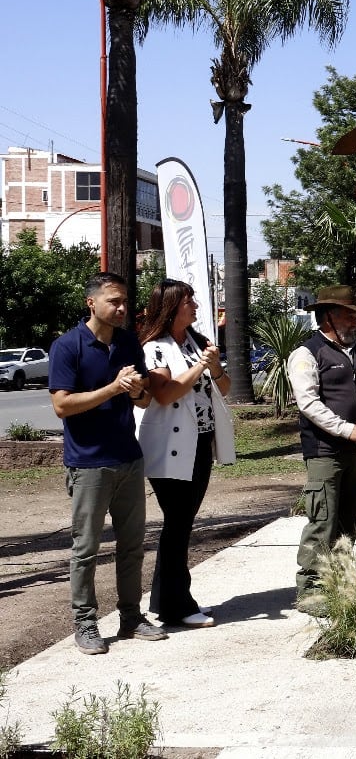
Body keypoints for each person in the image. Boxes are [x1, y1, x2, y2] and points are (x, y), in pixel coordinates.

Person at [48, 272, 168, 654]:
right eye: (113, 301)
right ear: (92, 303)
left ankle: (131, 617)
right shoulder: (68, 346)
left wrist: (134, 392)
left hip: (128, 458)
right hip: (88, 464)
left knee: (132, 545)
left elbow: (144, 400)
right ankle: (84, 623)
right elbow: (62, 406)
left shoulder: (129, 342)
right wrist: (113, 388)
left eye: (124, 302)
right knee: (86, 549)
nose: (121, 309)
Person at [135, 279, 235, 628]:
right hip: (169, 447)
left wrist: (215, 366)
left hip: (200, 443)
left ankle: (166, 601)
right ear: (171, 307)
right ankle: (178, 604)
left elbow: (224, 386)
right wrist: (200, 367)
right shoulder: (155, 348)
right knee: (177, 523)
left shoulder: (198, 342)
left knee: (180, 524)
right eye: (188, 301)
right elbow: (164, 394)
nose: (194, 306)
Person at [289, 285, 356, 612]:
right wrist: (349, 430)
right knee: (323, 520)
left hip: (355, 454)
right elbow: (309, 404)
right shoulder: (306, 354)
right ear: (330, 316)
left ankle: (341, 580)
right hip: (324, 452)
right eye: (350, 315)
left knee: (348, 520)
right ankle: (311, 591)